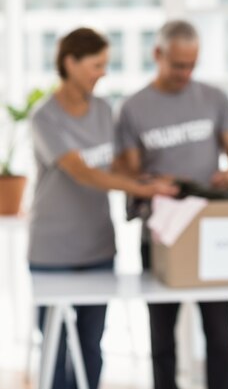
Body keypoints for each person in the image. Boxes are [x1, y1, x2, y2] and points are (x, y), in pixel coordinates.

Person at [28, 27, 177, 389]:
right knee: (56, 346)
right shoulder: (43, 117)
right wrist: (139, 186)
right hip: (52, 253)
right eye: (97, 65)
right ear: (70, 63)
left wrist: (149, 179)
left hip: (98, 249)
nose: (102, 73)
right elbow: (82, 172)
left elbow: (115, 167)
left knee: (92, 345)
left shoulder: (103, 110)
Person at [114, 20, 228, 389]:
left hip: (211, 234)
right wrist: (153, 185)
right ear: (157, 55)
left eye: (192, 64)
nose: (185, 73)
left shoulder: (215, 99)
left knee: (220, 335)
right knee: (161, 337)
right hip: (160, 234)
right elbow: (128, 174)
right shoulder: (132, 108)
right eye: (178, 65)